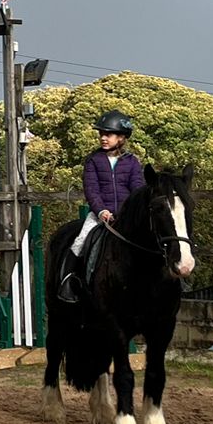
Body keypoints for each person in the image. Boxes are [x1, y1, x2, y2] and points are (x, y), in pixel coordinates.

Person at [58, 111, 146, 301]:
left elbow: (138, 190)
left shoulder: (132, 162)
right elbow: (91, 189)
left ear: (121, 138)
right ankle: (69, 282)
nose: (103, 138)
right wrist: (101, 211)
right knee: (79, 241)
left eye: (108, 134)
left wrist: (128, 212)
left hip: (126, 216)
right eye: (101, 134)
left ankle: (173, 281)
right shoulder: (93, 160)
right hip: (100, 214)